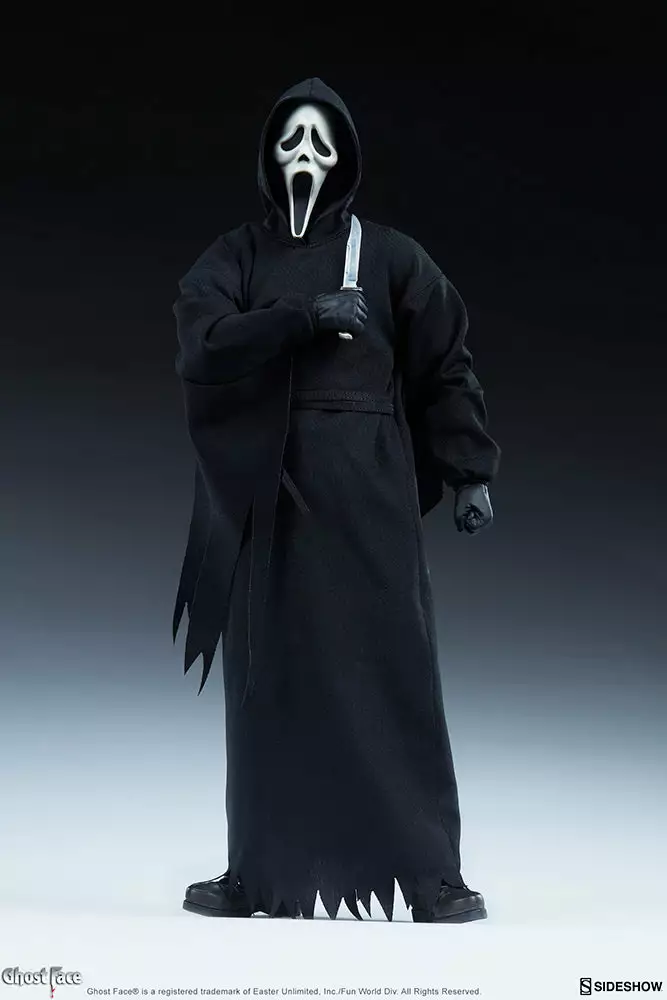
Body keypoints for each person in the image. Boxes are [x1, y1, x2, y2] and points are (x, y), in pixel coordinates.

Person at [172, 77, 500, 923]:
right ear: (268, 153)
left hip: (366, 491)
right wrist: (301, 316)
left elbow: (444, 361)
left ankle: (430, 874)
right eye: (292, 139)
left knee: (390, 669)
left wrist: (468, 470)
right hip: (268, 494)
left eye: (321, 142)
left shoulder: (391, 257)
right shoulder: (237, 257)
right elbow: (202, 341)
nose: (305, 156)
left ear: (345, 156)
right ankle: (257, 871)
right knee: (264, 678)